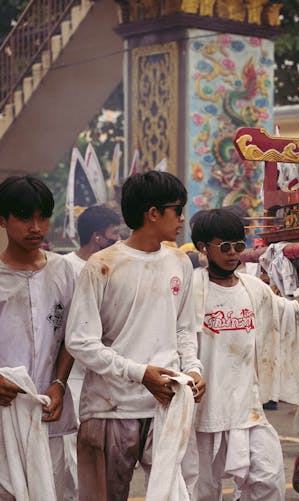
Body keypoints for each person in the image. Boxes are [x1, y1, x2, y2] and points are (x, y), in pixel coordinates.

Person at [65, 171, 207, 501]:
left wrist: (194, 369)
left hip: (166, 405)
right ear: (152, 213)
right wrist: (139, 373)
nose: (182, 218)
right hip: (109, 409)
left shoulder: (179, 262)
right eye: (177, 209)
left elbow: (184, 327)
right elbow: (80, 341)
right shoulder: (102, 265)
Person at [190, 208, 299, 500]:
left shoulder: (255, 289)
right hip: (203, 412)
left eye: (238, 246)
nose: (232, 254)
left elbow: (288, 314)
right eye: (224, 246)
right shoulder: (191, 289)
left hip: (247, 407)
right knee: (202, 490)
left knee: (268, 480)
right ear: (203, 247)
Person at [0, 175, 78, 501]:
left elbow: (72, 336)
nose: (36, 227)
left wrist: (59, 384)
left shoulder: (63, 272)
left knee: (52, 491)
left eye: (43, 216)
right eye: (24, 216)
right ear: (2, 219)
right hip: (3, 412)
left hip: (48, 411)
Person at [60, 204, 122, 500]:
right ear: (97, 237)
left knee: (97, 454)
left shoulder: (113, 265)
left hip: (104, 373)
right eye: (114, 235)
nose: (118, 240)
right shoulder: (65, 268)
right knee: (71, 452)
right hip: (70, 374)